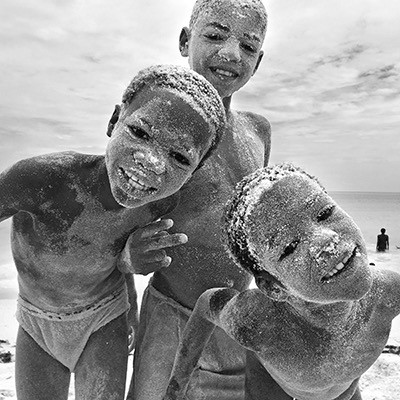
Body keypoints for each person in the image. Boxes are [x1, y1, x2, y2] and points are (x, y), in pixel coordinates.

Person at [0, 64, 226, 400]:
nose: (151, 161)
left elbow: (117, 256)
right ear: (114, 121)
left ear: (193, 172)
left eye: (179, 157)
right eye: (140, 132)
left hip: (104, 319)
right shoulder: (40, 181)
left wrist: (130, 265)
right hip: (37, 321)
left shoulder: (160, 205)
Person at [125, 1, 276, 399]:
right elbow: (116, 216)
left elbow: (253, 223)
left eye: (248, 46)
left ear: (258, 62)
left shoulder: (257, 131)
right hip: (170, 315)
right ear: (184, 41)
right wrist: (128, 260)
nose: (231, 53)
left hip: (235, 315)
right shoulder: (157, 126)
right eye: (214, 35)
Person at [164, 163, 400, 400]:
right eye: (289, 248)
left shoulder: (390, 292)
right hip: (272, 385)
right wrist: (176, 387)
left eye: (324, 213)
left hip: (344, 390)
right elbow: (207, 304)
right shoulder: (255, 321)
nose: (326, 240)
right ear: (274, 288)